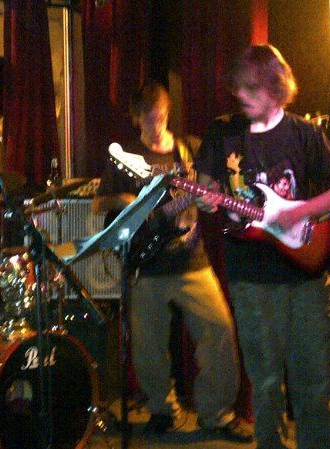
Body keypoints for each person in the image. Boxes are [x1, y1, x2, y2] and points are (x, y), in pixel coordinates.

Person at [194, 44, 330, 449]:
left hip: (306, 275)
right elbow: (206, 187)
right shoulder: (223, 133)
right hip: (250, 277)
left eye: (252, 88)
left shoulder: (305, 133)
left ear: (276, 88)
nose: (241, 95)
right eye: (239, 87)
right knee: (265, 385)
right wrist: (206, 199)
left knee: (312, 383)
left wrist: (299, 212)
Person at [92, 81, 252, 441]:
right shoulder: (125, 156)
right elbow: (99, 203)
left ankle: (217, 414)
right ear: (137, 118)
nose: (156, 123)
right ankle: (162, 410)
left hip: (192, 260)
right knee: (148, 347)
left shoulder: (190, 149)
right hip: (145, 264)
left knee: (219, 331)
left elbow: (209, 196)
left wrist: (210, 199)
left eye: (161, 115)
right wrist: (130, 201)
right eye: (149, 117)